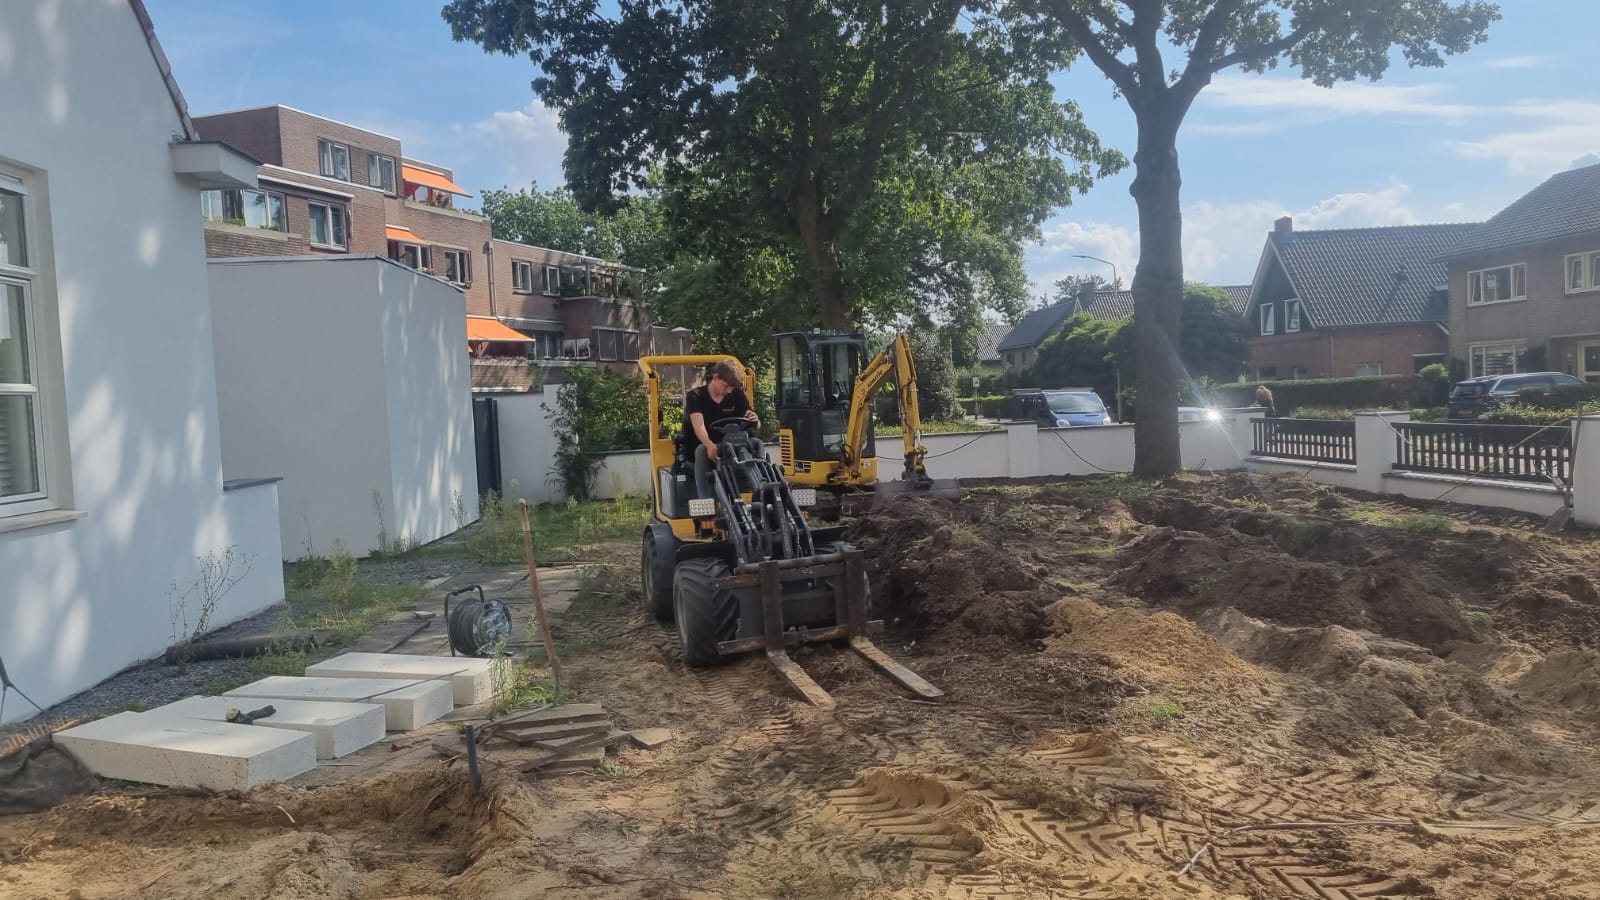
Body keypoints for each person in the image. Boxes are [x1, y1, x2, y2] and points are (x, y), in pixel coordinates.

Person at [684, 359, 761, 499]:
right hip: (709, 445)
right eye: (726, 386)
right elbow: (698, 425)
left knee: (757, 443)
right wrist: (709, 444)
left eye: (732, 387)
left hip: (734, 446)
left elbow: (753, 424)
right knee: (701, 451)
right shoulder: (696, 396)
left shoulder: (737, 395)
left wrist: (755, 421)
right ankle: (706, 502)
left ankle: (761, 492)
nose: (729, 391)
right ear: (715, 378)